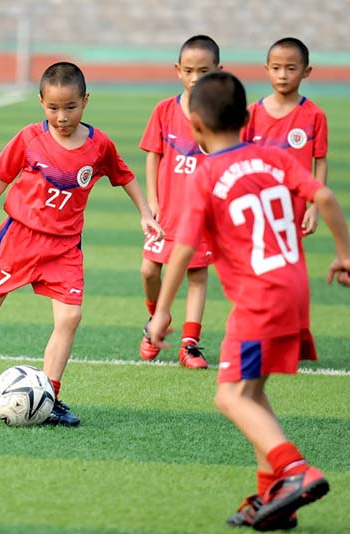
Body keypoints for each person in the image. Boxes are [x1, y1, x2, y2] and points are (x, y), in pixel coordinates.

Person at [147, 71, 350, 531]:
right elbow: (323, 194)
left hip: (257, 300)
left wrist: (162, 310)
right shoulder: (272, 157)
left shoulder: (204, 175)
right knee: (253, 393)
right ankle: (273, 499)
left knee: (229, 397)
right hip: (294, 289)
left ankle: (294, 470)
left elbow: (182, 249)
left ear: (196, 128)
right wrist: (345, 256)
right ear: (247, 119)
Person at [0, 61, 164, 427]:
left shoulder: (99, 146)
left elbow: (125, 176)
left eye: (71, 107)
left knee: (70, 317)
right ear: (42, 103)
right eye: (53, 108)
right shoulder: (30, 138)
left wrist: (145, 213)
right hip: (21, 239)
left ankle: (50, 397)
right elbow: (4, 172)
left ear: (85, 101)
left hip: (64, 247)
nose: (62, 117)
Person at [138, 35, 221, 369]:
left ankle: (190, 345)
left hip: (202, 214)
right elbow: (153, 156)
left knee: (197, 275)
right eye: (189, 70)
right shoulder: (164, 110)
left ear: (218, 71)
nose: (196, 78)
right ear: (178, 70)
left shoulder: (219, 116)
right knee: (148, 269)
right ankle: (157, 320)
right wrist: (153, 201)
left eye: (204, 71)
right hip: (167, 211)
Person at [241, 37, 328, 237]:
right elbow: (237, 160)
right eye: (276, 68)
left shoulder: (315, 115)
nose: (282, 75)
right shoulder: (251, 113)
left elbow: (320, 161)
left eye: (291, 68)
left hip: (292, 211)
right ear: (266, 69)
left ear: (306, 72)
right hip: (255, 205)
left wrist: (315, 206)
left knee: (287, 265)